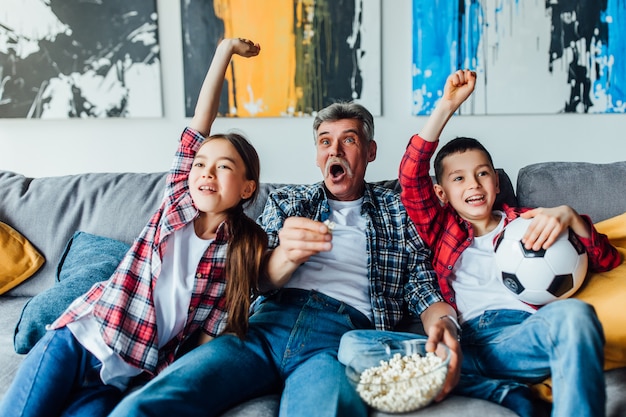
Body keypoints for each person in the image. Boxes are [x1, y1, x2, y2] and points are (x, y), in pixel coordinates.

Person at [108, 101, 463, 417]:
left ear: (370, 151)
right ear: (316, 154)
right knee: (143, 405)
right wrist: (286, 257)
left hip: (338, 341)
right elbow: (257, 278)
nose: (334, 149)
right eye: (325, 141)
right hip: (262, 328)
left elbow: (423, 288)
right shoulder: (289, 202)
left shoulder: (398, 211)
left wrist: (445, 325)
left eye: (349, 140)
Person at [0, 38, 266, 417]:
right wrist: (223, 51)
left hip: (120, 379)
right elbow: (198, 128)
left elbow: (208, 338)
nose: (206, 171)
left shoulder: (236, 253)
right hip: (78, 341)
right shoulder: (177, 204)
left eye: (223, 166)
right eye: (200, 163)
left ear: (247, 187)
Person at [340, 69, 622, 417]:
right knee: (353, 345)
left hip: (521, 337)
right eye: (459, 178)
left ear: (494, 178)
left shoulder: (530, 221)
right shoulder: (440, 227)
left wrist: (570, 216)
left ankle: (499, 385)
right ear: (442, 193)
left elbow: (607, 261)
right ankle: (503, 391)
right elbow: (411, 176)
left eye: (482, 173)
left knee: (577, 315)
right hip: (461, 344)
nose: (473, 184)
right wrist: (446, 106)